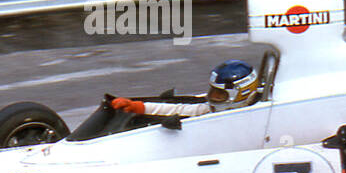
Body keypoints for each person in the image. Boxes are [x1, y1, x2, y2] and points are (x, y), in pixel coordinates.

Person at [109, 60, 261, 118]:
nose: (213, 97)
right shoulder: (213, 109)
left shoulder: (258, 115)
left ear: (241, 94)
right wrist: (137, 106)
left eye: (220, 94)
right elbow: (181, 110)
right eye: (213, 91)